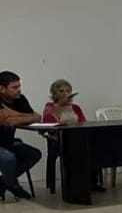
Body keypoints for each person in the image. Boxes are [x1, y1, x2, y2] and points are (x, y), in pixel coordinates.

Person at [41, 79, 105, 192]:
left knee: (95, 147)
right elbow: (49, 125)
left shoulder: (75, 107)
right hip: (58, 140)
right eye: (61, 91)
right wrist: (60, 107)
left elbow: (83, 122)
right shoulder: (50, 107)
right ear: (54, 94)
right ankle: (75, 183)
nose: (65, 94)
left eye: (67, 91)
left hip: (77, 138)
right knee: (78, 150)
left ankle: (92, 182)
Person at [0, 71, 42, 201]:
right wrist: (28, 116)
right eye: (14, 87)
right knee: (8, 158)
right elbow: (8, 122)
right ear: (2, 89)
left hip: (8, 141)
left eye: (19, 86)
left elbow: (37, 117)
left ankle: (3, 182)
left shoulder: (20, 99)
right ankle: (13, 185)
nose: (18, 90)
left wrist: (11, 114)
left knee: (34, 154)